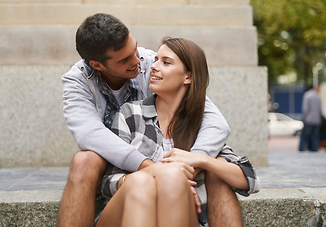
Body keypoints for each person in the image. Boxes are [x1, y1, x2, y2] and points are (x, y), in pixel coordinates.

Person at [58, 13, 241, 226]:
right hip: (114, 170)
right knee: (84, 160)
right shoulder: (77, 81)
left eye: (134, 48)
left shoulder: (151, 64)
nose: (138, 61)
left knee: (217, 166)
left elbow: (212, 119)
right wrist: (151, 168)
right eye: (125, 59)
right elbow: (88, 134)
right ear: (97, 65)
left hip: (165, 168)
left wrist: (190, 164)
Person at [96, 37, 260, 227]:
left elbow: (250, 179)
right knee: (143, 181)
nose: (154, 67)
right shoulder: (130, 113)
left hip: (181, 215)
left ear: (188, 76)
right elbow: (107, 182)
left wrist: (201, 160)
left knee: (173, 177)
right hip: (127, 211)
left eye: (166, 62)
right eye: (156, 60)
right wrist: (155, 176)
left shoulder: (202, 125)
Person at [299, 84, 322, 152]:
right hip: (317, 120)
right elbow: (320, 109)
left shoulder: (307, 95)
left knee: (304, 136)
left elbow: (305, 108)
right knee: (315, 136)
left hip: (308, 119)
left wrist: (304, 116)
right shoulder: (318, 96)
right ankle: (314, 149)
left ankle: (302, 149)